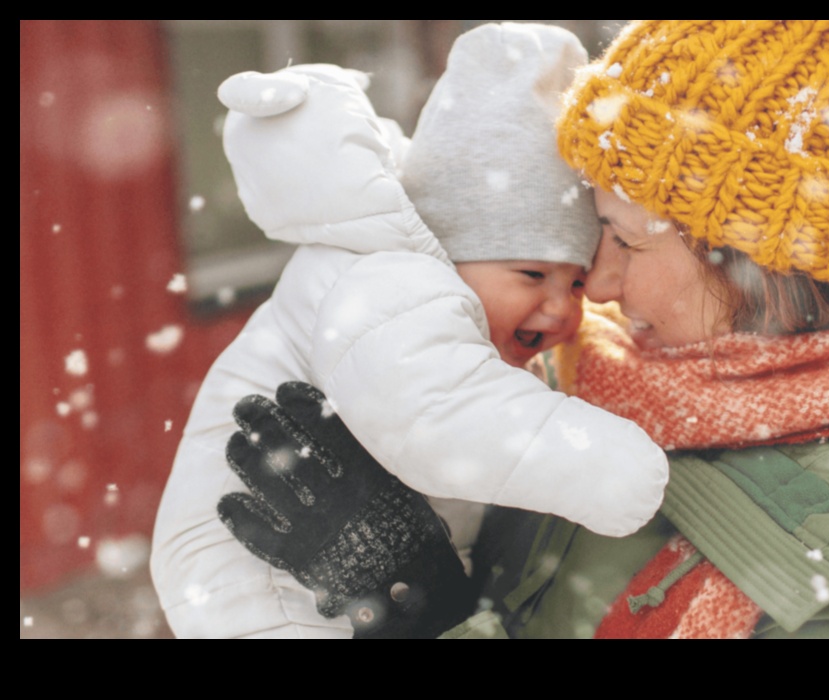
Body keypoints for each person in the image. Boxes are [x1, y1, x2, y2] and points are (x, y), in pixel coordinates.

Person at [224, 20, 829, 638]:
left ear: (759, 256)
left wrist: (412, 603)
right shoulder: (635, 371)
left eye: (622, 236)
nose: (597, 287)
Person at [150, 23, 668, 639]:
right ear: (452, 249)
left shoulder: (421, 296)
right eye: (532, 273)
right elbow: (437, 418)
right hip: (261, 573)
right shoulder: (390, 284)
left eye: (577, 283)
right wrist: (611, 468)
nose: (561, 309)